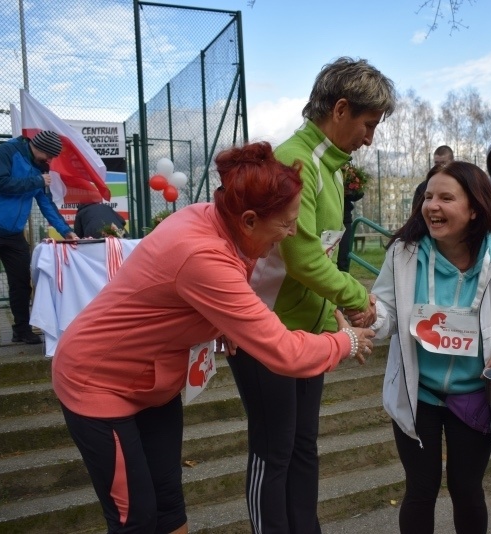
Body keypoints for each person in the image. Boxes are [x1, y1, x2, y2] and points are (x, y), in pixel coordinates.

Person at [52, 141, 375, 534]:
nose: (293, 232)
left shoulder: (218, 221)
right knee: (134, 518)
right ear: (251, 220)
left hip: (154, 383)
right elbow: (285, 352)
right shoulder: (202, 254)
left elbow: (181, 301)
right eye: (288, 223)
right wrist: (348, 341)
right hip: (98, 382)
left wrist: (220, 327)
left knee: (169, 505)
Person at [228, 57, 396, 533]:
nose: (370, 137)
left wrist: (333, 323)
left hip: (306, 329)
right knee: (273, 449)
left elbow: (321, 253)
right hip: (262, 327)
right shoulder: (295, 161)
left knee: (303, 446)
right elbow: (302, 257)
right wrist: (355, 298)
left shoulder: (335, 168)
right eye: (368, 124)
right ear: (340, 109)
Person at [363, 161, 491, 534]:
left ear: (474, 209)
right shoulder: (403, 254)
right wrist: (370, 320)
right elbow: (386, 311)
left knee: (467, 489)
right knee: (420, 489)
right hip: (417, 393)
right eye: (428, 196)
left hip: (473, 396)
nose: (431, 206)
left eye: (445, 198)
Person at [0, 130, 77, 356]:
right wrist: (36, 180)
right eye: (49, 156)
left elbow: (45, 203)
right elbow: (1, 183)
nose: (50, 161)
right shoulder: (5, 152)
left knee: (21, 282)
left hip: (14, 233)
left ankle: (21, 329)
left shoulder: (41, 168)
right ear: (40, 147)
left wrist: (66, 231)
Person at [337, 164, 365, 272]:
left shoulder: (348, 173)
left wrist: (349, 192)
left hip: (345, 219)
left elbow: (359, 193)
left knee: (343, 257)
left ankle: (342, 282)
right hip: (328, 218)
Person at [412, 145, 455, 211]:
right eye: (436, 163)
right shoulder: (423, 187)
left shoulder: (462, 185)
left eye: (443, 163)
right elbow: (416, 214)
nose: (439, 166)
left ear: (452, 162)